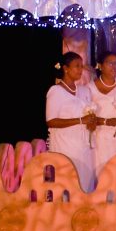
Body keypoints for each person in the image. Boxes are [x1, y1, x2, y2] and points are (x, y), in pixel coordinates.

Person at [45, 51, 97, 191]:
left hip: (84, 146)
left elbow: (89, 116)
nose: (80, 70)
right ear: (66, 68)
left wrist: (92, 122)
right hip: (65, 145)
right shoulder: (55, 91)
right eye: (77, 66)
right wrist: (81, 120)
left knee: (85, 184)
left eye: (81, 66)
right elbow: (51, 121)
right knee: (67, 185)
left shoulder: (85, 91)